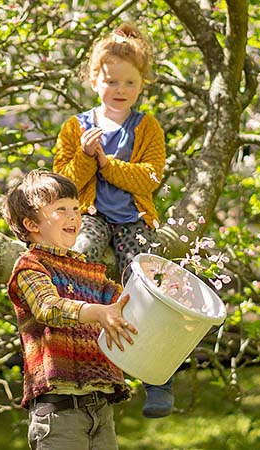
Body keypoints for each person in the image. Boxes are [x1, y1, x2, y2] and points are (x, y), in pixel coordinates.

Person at [51, 23, 172, 418]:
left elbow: (150, 177)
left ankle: (158, 380)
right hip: (92, 214)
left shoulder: (146, 127)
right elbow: (63, 183)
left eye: (130, 82)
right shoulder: (76, 127)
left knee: (145, 282)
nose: (120, 89)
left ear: (142, 85)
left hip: (133, 219)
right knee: (80, 260)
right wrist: (87, 158)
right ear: (93, 80)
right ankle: (81, 358)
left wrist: (107, 163)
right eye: (111, 80)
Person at [1, 169, 137, 450]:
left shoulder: (89, 272)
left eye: (76, 208)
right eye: (60, 209)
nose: (73, 215)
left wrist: (159, 288)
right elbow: (48, 308)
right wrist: (98, 312)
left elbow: (129, 302)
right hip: (59, 412)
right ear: (31, 223)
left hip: (101, 408)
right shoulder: (31, 266)